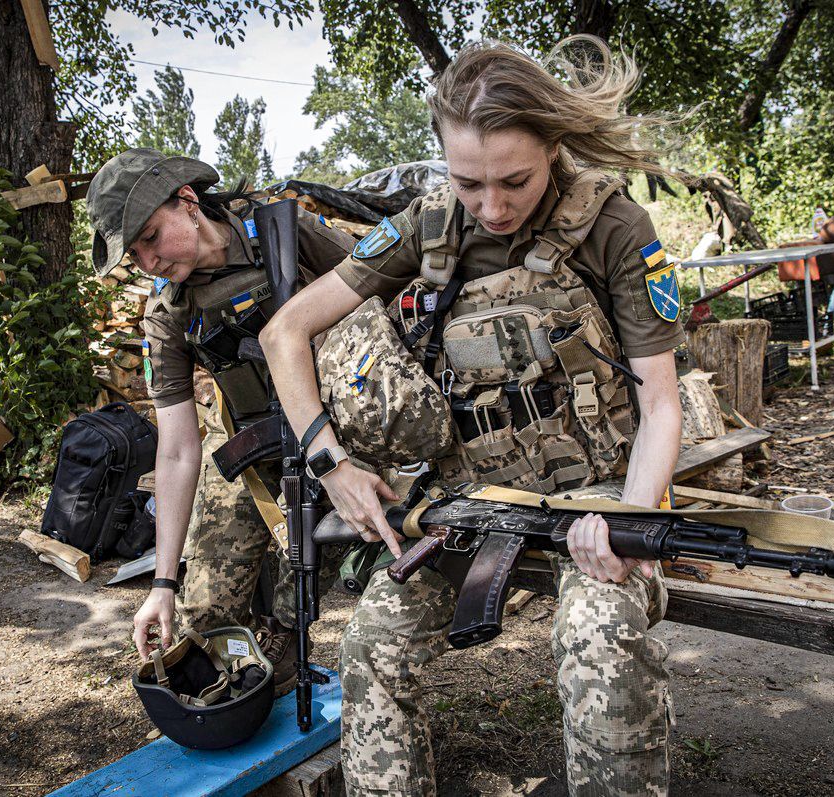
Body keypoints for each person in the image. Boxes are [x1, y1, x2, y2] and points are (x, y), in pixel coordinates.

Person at [262, 37, 683, 796]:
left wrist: (627, 520)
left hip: (595, 501)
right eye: (468, 183)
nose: (490, 206)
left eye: (513, 181)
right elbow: (284, 331)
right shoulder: (428, 226)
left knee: (599, 634)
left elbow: (659, 402)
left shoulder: (617, 226)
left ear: (554, 146)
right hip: (470, 508)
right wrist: (334, 467)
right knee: (369, 647)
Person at [86, 149, 355, 693]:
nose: (147, 262)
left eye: (151, 237)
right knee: (202, 616)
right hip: (249, 446)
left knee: (302, 574)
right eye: (134, 254)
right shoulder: (167, 313)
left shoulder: (284, 229)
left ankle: (282, 635)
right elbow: (179, 447)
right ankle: (243, 656)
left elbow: (382, 282)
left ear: (187, 201)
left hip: (337, 430)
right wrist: (162, 582)